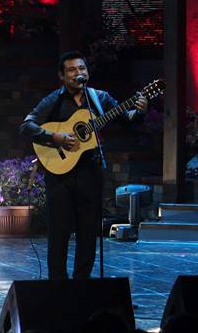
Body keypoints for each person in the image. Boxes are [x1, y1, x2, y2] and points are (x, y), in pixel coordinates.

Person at [20, 50, 147, 280]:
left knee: (88, 233)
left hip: (90, 171)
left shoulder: (99, 98)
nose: (79, 73)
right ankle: (57, 285)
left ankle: (82, 285)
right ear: (62, 76)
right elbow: (27, 126)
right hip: (59, 176)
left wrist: (138, 112)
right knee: (58, 232)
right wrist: (55, 137)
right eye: (72, 70)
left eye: (82, 69)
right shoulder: (53, 100)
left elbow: (126, 118)